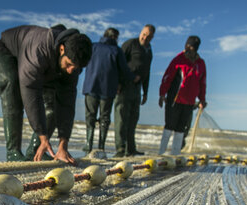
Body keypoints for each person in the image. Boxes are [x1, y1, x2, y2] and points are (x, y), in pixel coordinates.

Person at [0, 24, 92, 164]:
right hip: (6, 51)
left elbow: (66, 103)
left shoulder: (72, 66)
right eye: (68, 64)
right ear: (62, 49)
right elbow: (30, 91)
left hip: (46, 67)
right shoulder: (39, 50)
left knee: (52, 106)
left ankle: (36, 150)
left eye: (76, 68)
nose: (70, 71)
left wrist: (63, 145)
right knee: (12, 88)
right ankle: (13, 152)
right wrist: (43, 136)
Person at [81, 28, 138, 154]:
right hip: (107, 88)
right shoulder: (116, 50)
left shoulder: (93, 46)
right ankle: (101, 146)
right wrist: (134, 78)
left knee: (90, 116)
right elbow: (124, 69)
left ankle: (88, 144)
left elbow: (83, 61)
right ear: (115, 37)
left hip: (91, 85)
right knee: (104, 118)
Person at [158, 35, 207, 155]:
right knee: (169, 126)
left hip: (189, 102)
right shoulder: (178, 59)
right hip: (175, 99)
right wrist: (162, 94)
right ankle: (161, 153)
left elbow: (203, 83)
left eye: (193, 46)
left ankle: (175, 154)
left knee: (181, 129)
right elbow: (167, 77)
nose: (190, 48)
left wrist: (202, 99)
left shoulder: (200, 63)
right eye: (188, 45)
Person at [113, 24, 155, 157]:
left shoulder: (149, 50)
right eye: (144, 34)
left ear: (152, 37)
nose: (145, 37)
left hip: (137, 89)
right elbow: (118, 63)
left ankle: (131, 149)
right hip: (125, 86)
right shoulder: (130, 44)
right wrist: (118, 83)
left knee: (133, 119)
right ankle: (120, 149)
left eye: (148, 36)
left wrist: (145, 92)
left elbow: (147, 72)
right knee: (121, 118)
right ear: (141, 32)